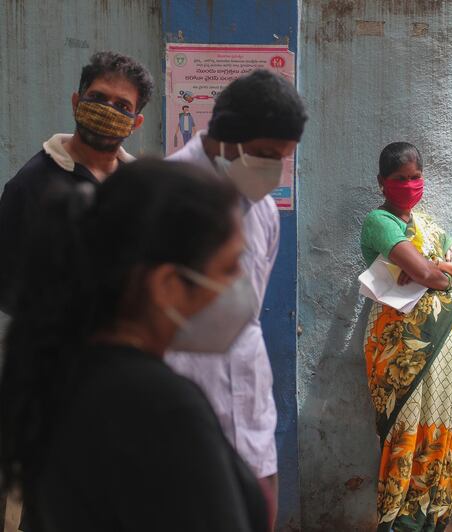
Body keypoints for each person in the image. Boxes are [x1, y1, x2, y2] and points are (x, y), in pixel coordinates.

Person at [0, 159, 268, 531]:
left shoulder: (62, 368)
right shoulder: (160, 408)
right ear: (167, 286)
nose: (242, 284)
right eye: (229, 267)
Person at [164, 69, 306, 530]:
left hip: (250, 413)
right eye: (266, 155)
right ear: (225, 139)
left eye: (283, 158)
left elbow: (248, 315)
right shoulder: (158, 196)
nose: (274, 168)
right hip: (175, 414)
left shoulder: (263, 210)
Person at [360, 142, 452, 531]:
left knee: (443, 431)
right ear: (382, 183)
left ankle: (431, 523)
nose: (409, 185)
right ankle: (398, 525)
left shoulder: (430, 227)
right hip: (400, 350)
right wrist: (439, 273)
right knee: (404, 433)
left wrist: (433, 265)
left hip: (445, 345)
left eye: (415, 178)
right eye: (400, 179)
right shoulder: (380, 222)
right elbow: (430, 277)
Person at [0, 50, 153, 313]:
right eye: (98, 97)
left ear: (135, 123)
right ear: (76, 102)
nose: (108, 110)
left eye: (122, 106)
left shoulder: (143, 185)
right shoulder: (30, 185)